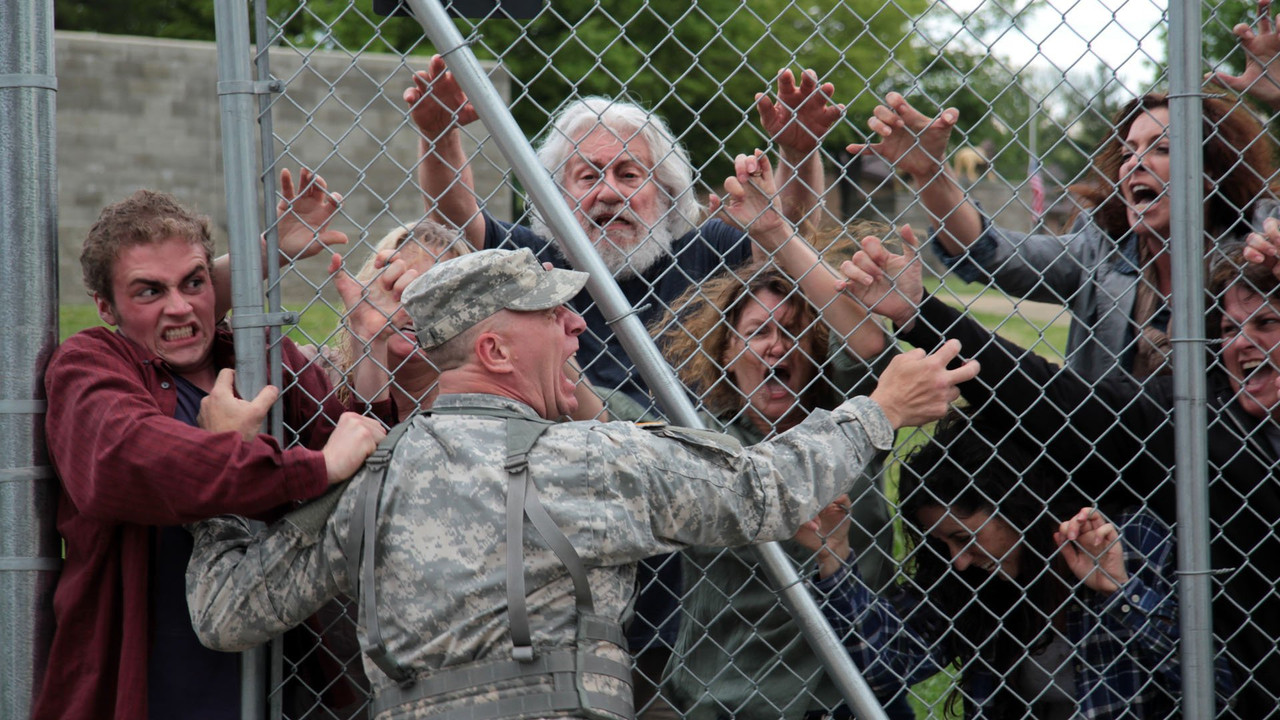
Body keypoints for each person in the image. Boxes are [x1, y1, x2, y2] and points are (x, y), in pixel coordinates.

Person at [184, 247, 979, 720]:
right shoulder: (589, 462)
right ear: (495, 350)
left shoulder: (371, 479)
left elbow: (226, 613)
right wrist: (880, 412)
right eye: (554, 316)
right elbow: (759, 491)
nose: (578, 326)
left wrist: (223, 467)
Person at [409, 57, 866, 688]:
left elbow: (784, 225)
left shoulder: (702, 252)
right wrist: (439, 135)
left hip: (693, 545)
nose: (608, 192)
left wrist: (799, 150)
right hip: (568, 538)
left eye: (629, 173)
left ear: (668, 195)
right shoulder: (533, 264)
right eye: (587, 174)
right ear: (553, 194)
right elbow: (456, 215)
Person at [838, 228, 1280, 715]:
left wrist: (1120, 591)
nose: (1242, 343)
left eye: (1266, 323)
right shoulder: (1194, 420)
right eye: (1227, 329)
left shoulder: (1127, 546)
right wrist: (917, 314)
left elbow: (1210, 686)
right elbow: (1049, 397)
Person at [32, 182, 389, 720]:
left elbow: (357, 458)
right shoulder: (91, 365)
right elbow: (129, 463)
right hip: (147, 684)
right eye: (149, 291)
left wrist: (377, 350)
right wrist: (299, 468)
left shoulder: (259, 355)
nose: (180, 307)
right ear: (106, 306)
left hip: (287, 679)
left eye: (194, 283)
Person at [853, 18, 1280, 382]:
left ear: (1209, 172)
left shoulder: (1258, 239)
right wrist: (931, 173)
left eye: (1161, 149)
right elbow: (992, 252)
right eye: (1128, 152)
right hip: (1110, 463)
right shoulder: (1101, 249)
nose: (1135, 164)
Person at [794, 411, 1233, 718]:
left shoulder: (1126, 540)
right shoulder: (971, 586)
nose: (958, 561)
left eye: (965, 537)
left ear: (1018, 506)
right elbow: (884, 666)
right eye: (942, 543)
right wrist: (834, 552)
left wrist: (1122, 592)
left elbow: (1222, 687)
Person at [649, 228, 905, 718]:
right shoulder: (698, 439)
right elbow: (603, 416)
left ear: (815, 350)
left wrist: (774, 231)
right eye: (758, 332)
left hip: (848, 690)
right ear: (727, 353)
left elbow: (869, 346)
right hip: (726, 698)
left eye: (791, 332)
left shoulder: (854, 424)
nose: (775, 346)